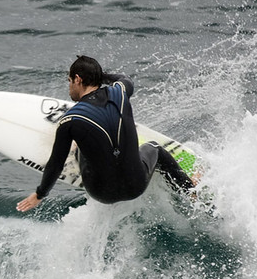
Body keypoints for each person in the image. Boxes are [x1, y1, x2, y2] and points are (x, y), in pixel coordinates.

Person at [16, 55, 196, 212]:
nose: (69, 86)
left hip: (102, 193)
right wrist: (99, 76)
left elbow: (55, 165)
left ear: (77, 79)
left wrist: (40, 194)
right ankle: (191, 192)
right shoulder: (121, 92)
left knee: (80, 145)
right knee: (155, 148)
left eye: (69, 81)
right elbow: (124, 78)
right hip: (136, 185)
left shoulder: (69, 120)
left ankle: (79, 147)